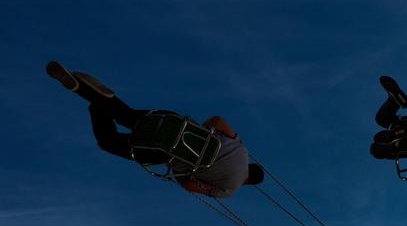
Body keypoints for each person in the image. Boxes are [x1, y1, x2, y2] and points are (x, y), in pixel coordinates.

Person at [45, 62, 263, 198]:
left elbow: (218, 119)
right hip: (164, 151)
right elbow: (189, 185)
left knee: (126, 116)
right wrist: (180, 172)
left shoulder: (241, 150)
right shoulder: (228, 190)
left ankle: (96, 95)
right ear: (248, 183)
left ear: (251, 165)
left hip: (176, 123)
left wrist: (198, 131)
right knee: (108, 142)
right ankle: (95, 102)